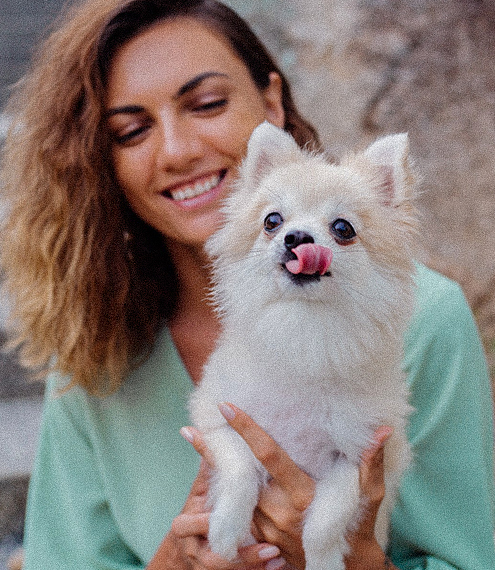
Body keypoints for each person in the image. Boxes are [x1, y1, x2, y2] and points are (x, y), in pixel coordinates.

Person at [0, 0, 494, 568]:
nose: (178, 150)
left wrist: (349, 556)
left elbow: (464, 557)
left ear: (271, 105)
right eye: (132, 131)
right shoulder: (94, 339)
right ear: (101, 163)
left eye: (207, 104)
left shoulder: (425, 321)